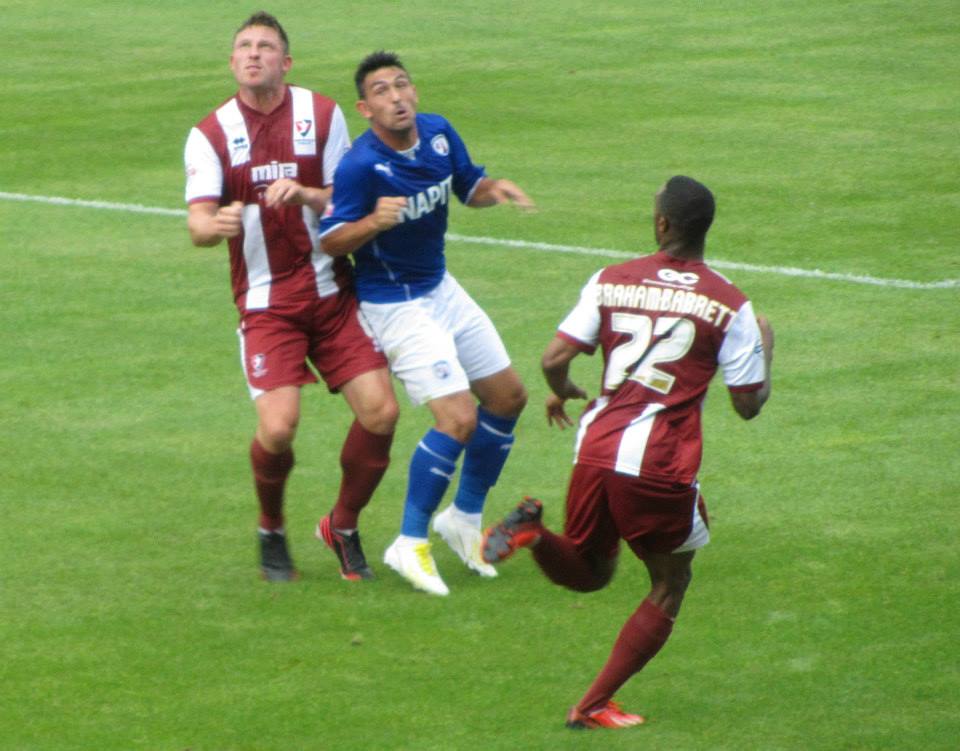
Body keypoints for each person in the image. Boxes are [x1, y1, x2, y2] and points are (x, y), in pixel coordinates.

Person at [481, 176, 774, 728]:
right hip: (657, 462)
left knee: (592, 571)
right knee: (670, 582)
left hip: (595, 446)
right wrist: (768, 347)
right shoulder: (731, 304)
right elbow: (748, 405)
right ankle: (591, 705)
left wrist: (565, 389)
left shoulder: (611, 279)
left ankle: (533, 532)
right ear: (705, 229)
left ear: (662, 224)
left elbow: (553, 358)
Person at [183, 12, 399, 582]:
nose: (254, 54)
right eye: (244, 46)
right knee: (278, 428)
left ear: (286, 61)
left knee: (382, 413)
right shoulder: (210, 134)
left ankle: (342, 525)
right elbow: (198, 223)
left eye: (265, 46)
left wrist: (305, 194)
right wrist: (216, 224)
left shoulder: (322, 115)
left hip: (331, 294)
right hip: (266, 306)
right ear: (232, 61)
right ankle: (271, 528)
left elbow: (348, 201)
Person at [319, 51, 534, 596]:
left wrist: (496, 189)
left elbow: (468, 186)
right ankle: (409, 541)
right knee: (457, 418)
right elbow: (331, 239)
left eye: (402, 85)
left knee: (508, 397)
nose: (397, 97)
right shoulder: (360, 166)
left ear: (414, 92)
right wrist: (373, 221)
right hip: (396, 304)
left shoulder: (438, 133)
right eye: (382, 91)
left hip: (441, 287)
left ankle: (462, 517)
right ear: (365, 109)